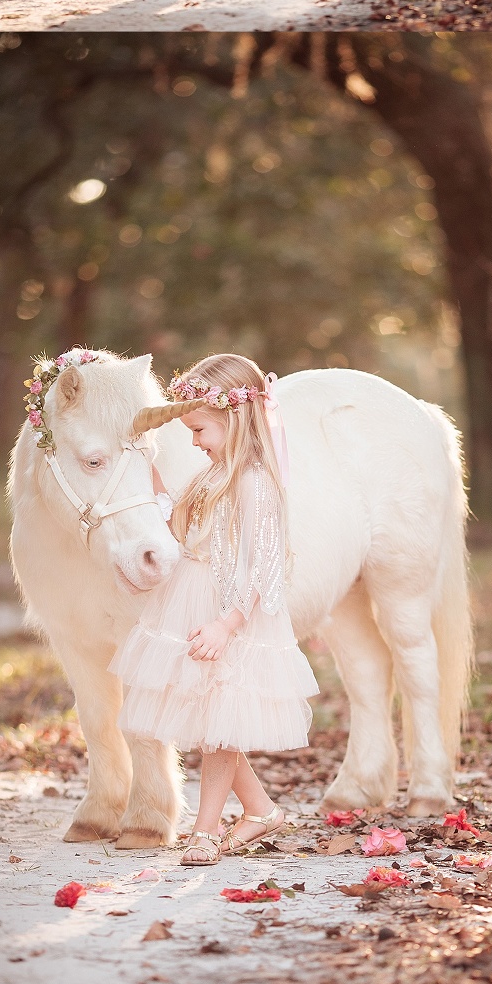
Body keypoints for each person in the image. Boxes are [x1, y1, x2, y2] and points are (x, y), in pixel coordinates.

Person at [110, 354, 319, 866]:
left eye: (200, 428)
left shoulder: (253, 481)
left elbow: (262, 564)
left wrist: (228, 622)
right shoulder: (213, 474)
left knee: (220, 720)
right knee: (211, 721)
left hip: (232, 609)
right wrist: (149, 475)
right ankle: (261, 810)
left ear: (235, 418)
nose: (195, 441)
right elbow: (183, 528)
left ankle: (204, 830)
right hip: (193, 598)